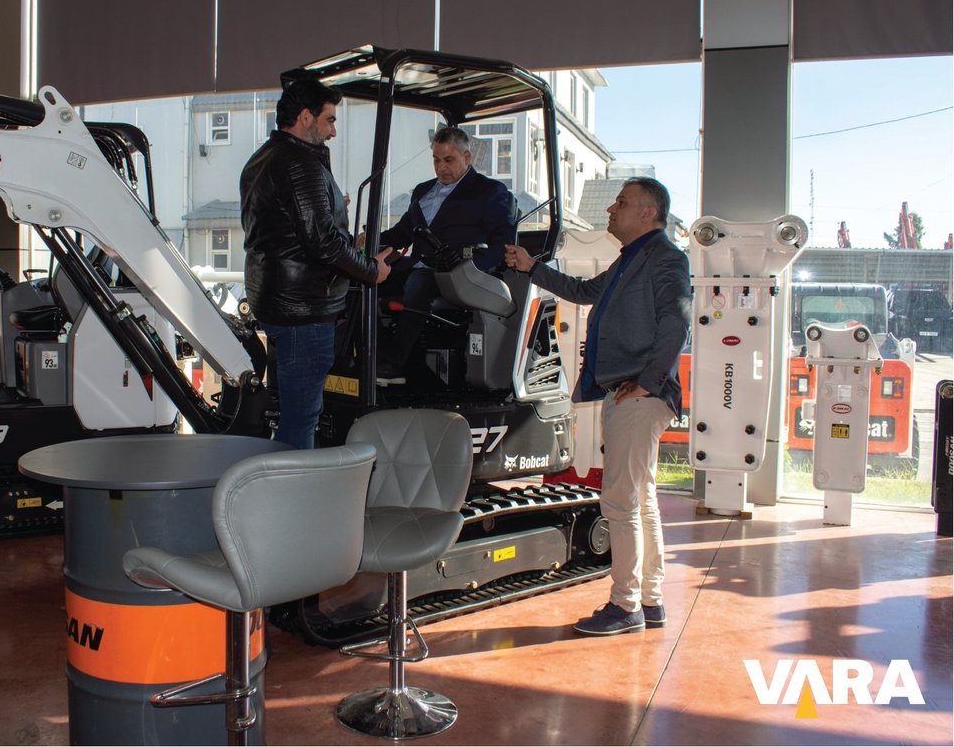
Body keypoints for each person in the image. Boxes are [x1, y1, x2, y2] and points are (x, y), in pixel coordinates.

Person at [504, 177, 690, 636]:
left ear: (649, 212)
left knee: (620, 502)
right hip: (627, 391)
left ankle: (625, 606)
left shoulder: (666, 258)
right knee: (640, 499)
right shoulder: (631, 260)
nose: (611, 209)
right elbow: (585, 292)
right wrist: (533, 267)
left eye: (622, 202)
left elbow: (675, 324)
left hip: (639, 395)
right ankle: (649, 600)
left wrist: (648, 383)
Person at [240, 79, 392, 449]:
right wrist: (373, 270)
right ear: (306, 117)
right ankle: (294, 501)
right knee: (301, 418)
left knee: (294, 411)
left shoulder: (263, 157)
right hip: (303, 310)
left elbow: (290, 230)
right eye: (329, 120)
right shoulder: (299, 164)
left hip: (278, 301)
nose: (333, 131)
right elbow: (322, 244)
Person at [374, 126, 516, 385]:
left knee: (420, 282)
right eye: (436, 160)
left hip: (457, 274)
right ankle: (373, 357)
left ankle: (395, 364)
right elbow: (403, 233)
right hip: (416, 267)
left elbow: (503, 243)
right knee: (363, 278)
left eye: (448, 160)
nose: (441, 168)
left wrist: (469, 266)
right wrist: (371, 239)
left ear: (467, 157)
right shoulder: (422, 191)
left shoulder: (489, 192)